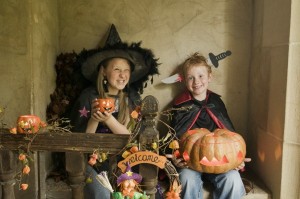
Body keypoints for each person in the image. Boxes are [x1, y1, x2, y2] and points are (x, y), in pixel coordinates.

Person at [69, 24, 159, 199]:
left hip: (126, 161)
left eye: (126, 70)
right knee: (102, 193)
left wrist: (109, 119)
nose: (122, 75)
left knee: (133, 192)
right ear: (103, 72)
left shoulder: (132, 99)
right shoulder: (89, 97)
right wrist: (94, 119)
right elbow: (82, 144)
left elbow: (132, 138)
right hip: (93, 163)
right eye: (117, 69)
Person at [169, 52, 250, 199]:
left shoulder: (216, 102)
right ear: (184, 80)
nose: (196, 81)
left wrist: (237, 160)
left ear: (209, 77)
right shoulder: (180, 105)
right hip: (191, 163)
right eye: (190, 77)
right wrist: (175, 158)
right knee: (186, 179)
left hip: (219, 161)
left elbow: (230, 136)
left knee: (232, 179)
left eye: (201, 76)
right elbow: (173, 139)